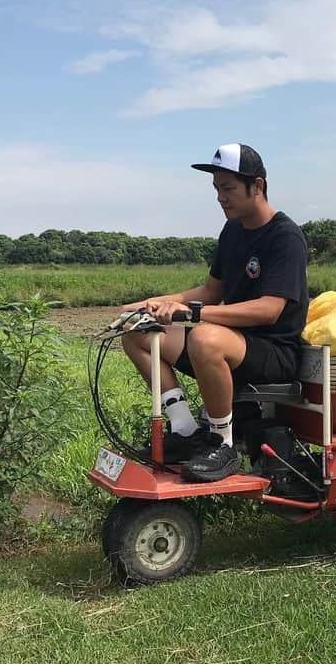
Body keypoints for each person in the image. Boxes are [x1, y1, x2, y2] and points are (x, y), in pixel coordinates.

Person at [121, 143, 309, 482]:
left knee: (206, 338)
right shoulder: (233, 231)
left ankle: (222, 444)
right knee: (137, 331)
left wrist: (193, 313)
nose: (221, 198)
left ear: (257, 186)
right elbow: (211, 291)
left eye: (228, 188)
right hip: (233, 342)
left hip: (274, 351)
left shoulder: (286, 237)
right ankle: (184, 431)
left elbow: (269, 310)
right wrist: (154, 302)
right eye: (216, 189)